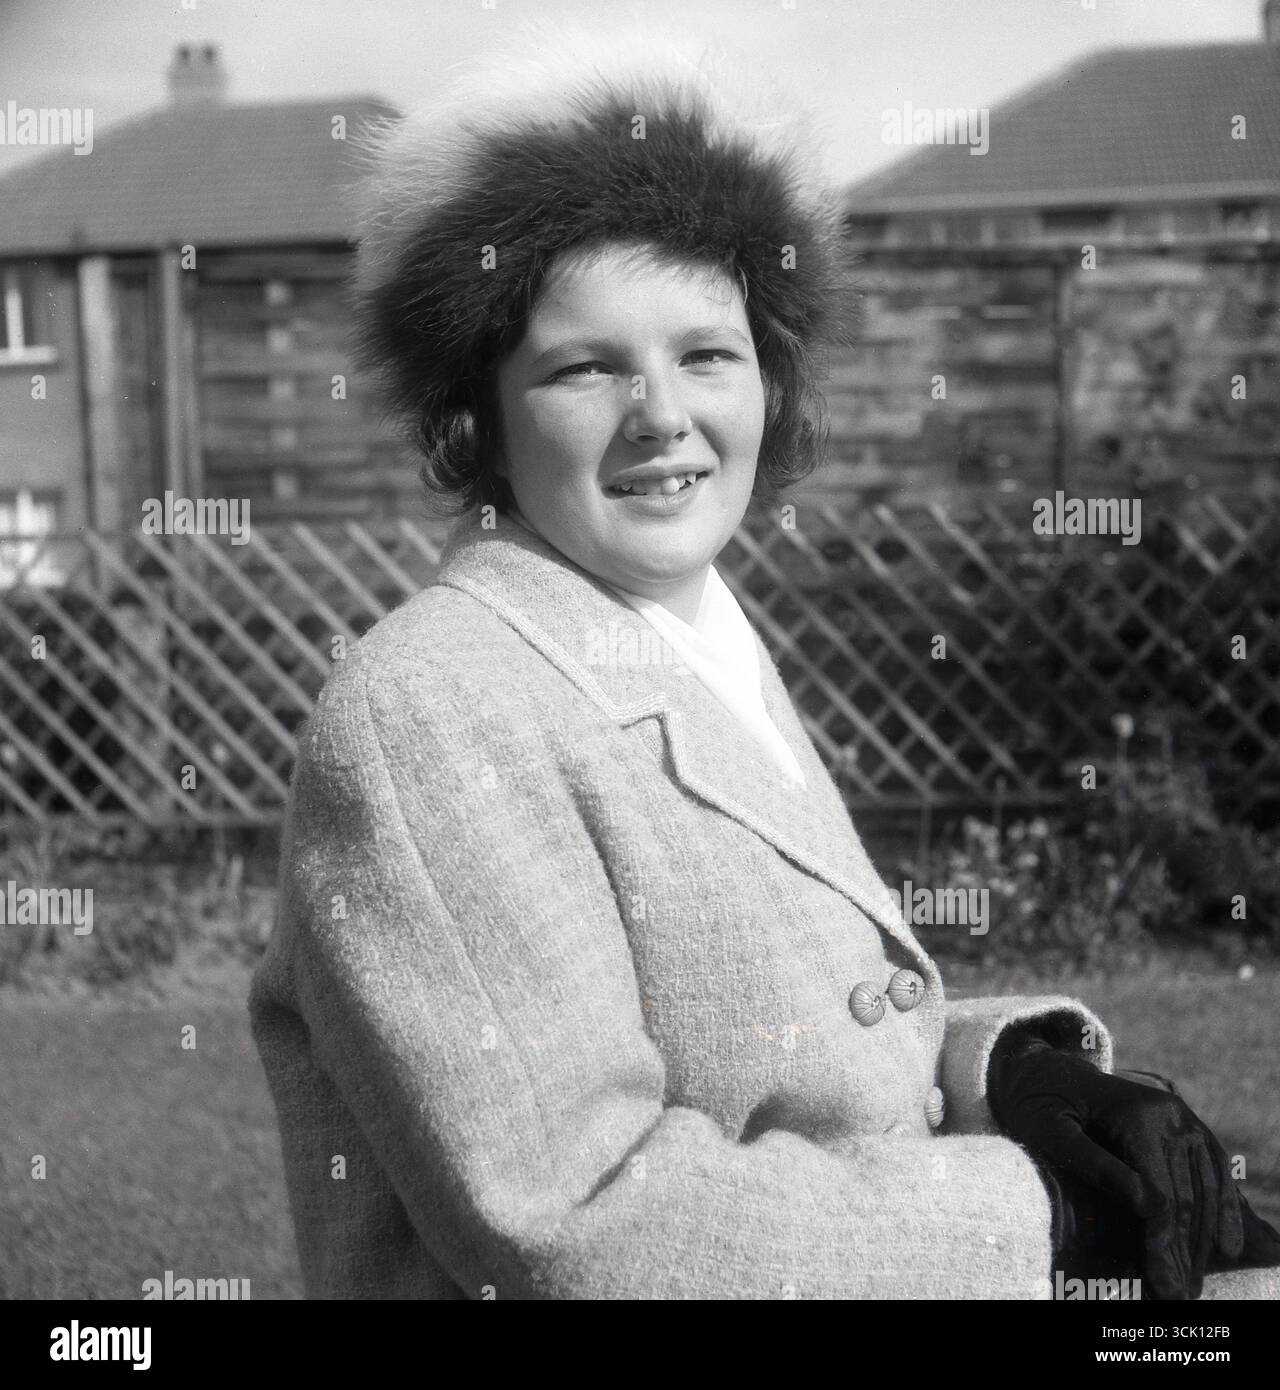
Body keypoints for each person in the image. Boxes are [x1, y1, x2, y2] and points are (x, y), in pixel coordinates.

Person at [248, 37, 1280, 1300]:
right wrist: (1041, 1212)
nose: (661, 414)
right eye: (586, 365)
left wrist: (1012, 1074)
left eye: (705, 353)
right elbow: (573, 1224)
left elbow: (769, 1046)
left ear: (769, 382)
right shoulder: (430, 707)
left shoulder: (691, 633)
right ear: (480, 413)